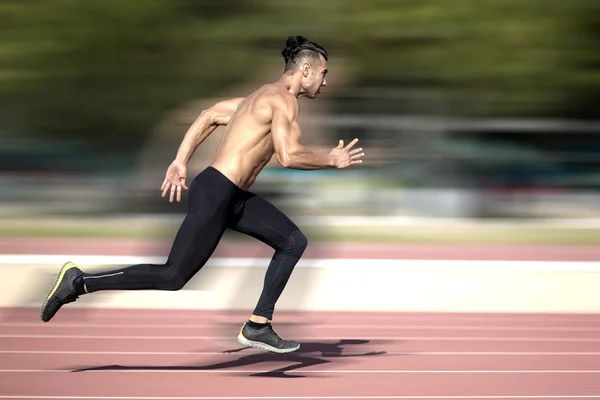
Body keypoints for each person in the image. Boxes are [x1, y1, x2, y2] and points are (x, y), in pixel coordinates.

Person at [40, 35, 365, 354]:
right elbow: (288, 155)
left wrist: (181, 161)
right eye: (323, 73)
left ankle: (258, 324)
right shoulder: (283, 100)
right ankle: (79, 281)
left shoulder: (257, 99)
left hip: (229, 194)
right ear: (305, 70)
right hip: (218, 192)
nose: (325, 81)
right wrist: (331, 160)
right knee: (173, 276)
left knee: (293, 241)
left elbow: (208, 116)